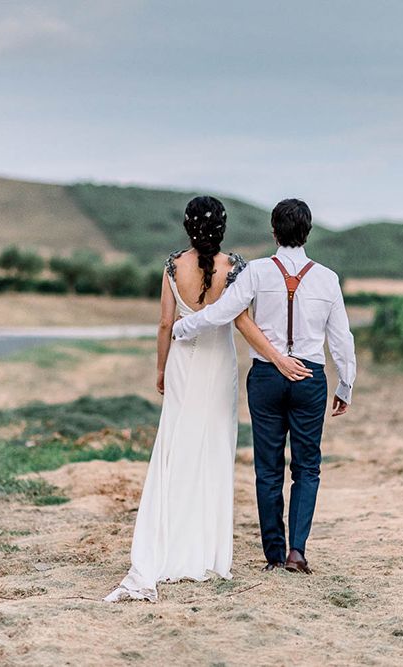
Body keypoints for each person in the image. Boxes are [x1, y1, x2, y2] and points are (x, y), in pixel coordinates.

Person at [104, 196, 309, 602]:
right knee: (213, 449)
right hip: (219, 365)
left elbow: (166, 322)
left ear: (187, 227)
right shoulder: (236, 268)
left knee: (177, 447)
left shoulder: (171, 266)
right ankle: (206, 551)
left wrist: (161, 368)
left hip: (183, 363)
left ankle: (169, 545)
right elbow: (243, 321)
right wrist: (277, 357)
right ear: (223, 227)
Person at [172, 198, 356, 573]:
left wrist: (183, 326)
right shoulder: (327, 278)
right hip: (308, 379)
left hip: (267, 377)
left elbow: (224, 312)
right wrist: (346, 385)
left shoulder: (256, 272)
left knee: (268, 468)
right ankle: (297, 552)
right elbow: (341, 340)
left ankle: (273, 555)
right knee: (307, 467)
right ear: (307, 232)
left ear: (274, 231)